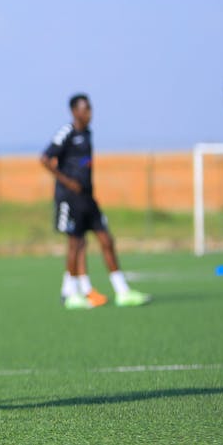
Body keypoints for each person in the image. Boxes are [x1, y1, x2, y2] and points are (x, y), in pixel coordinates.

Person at [40, 94, 151, 309]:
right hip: (70, 198)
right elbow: (44, 159)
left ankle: (122, 291)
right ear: (75, 111)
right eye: (85, 109)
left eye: (90, 108)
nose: (90, 113)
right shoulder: (67, 133)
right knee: (76, 243)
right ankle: (71, 293)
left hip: (88, 199)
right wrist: (68, 182)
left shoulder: (88, 133)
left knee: (106, 239)